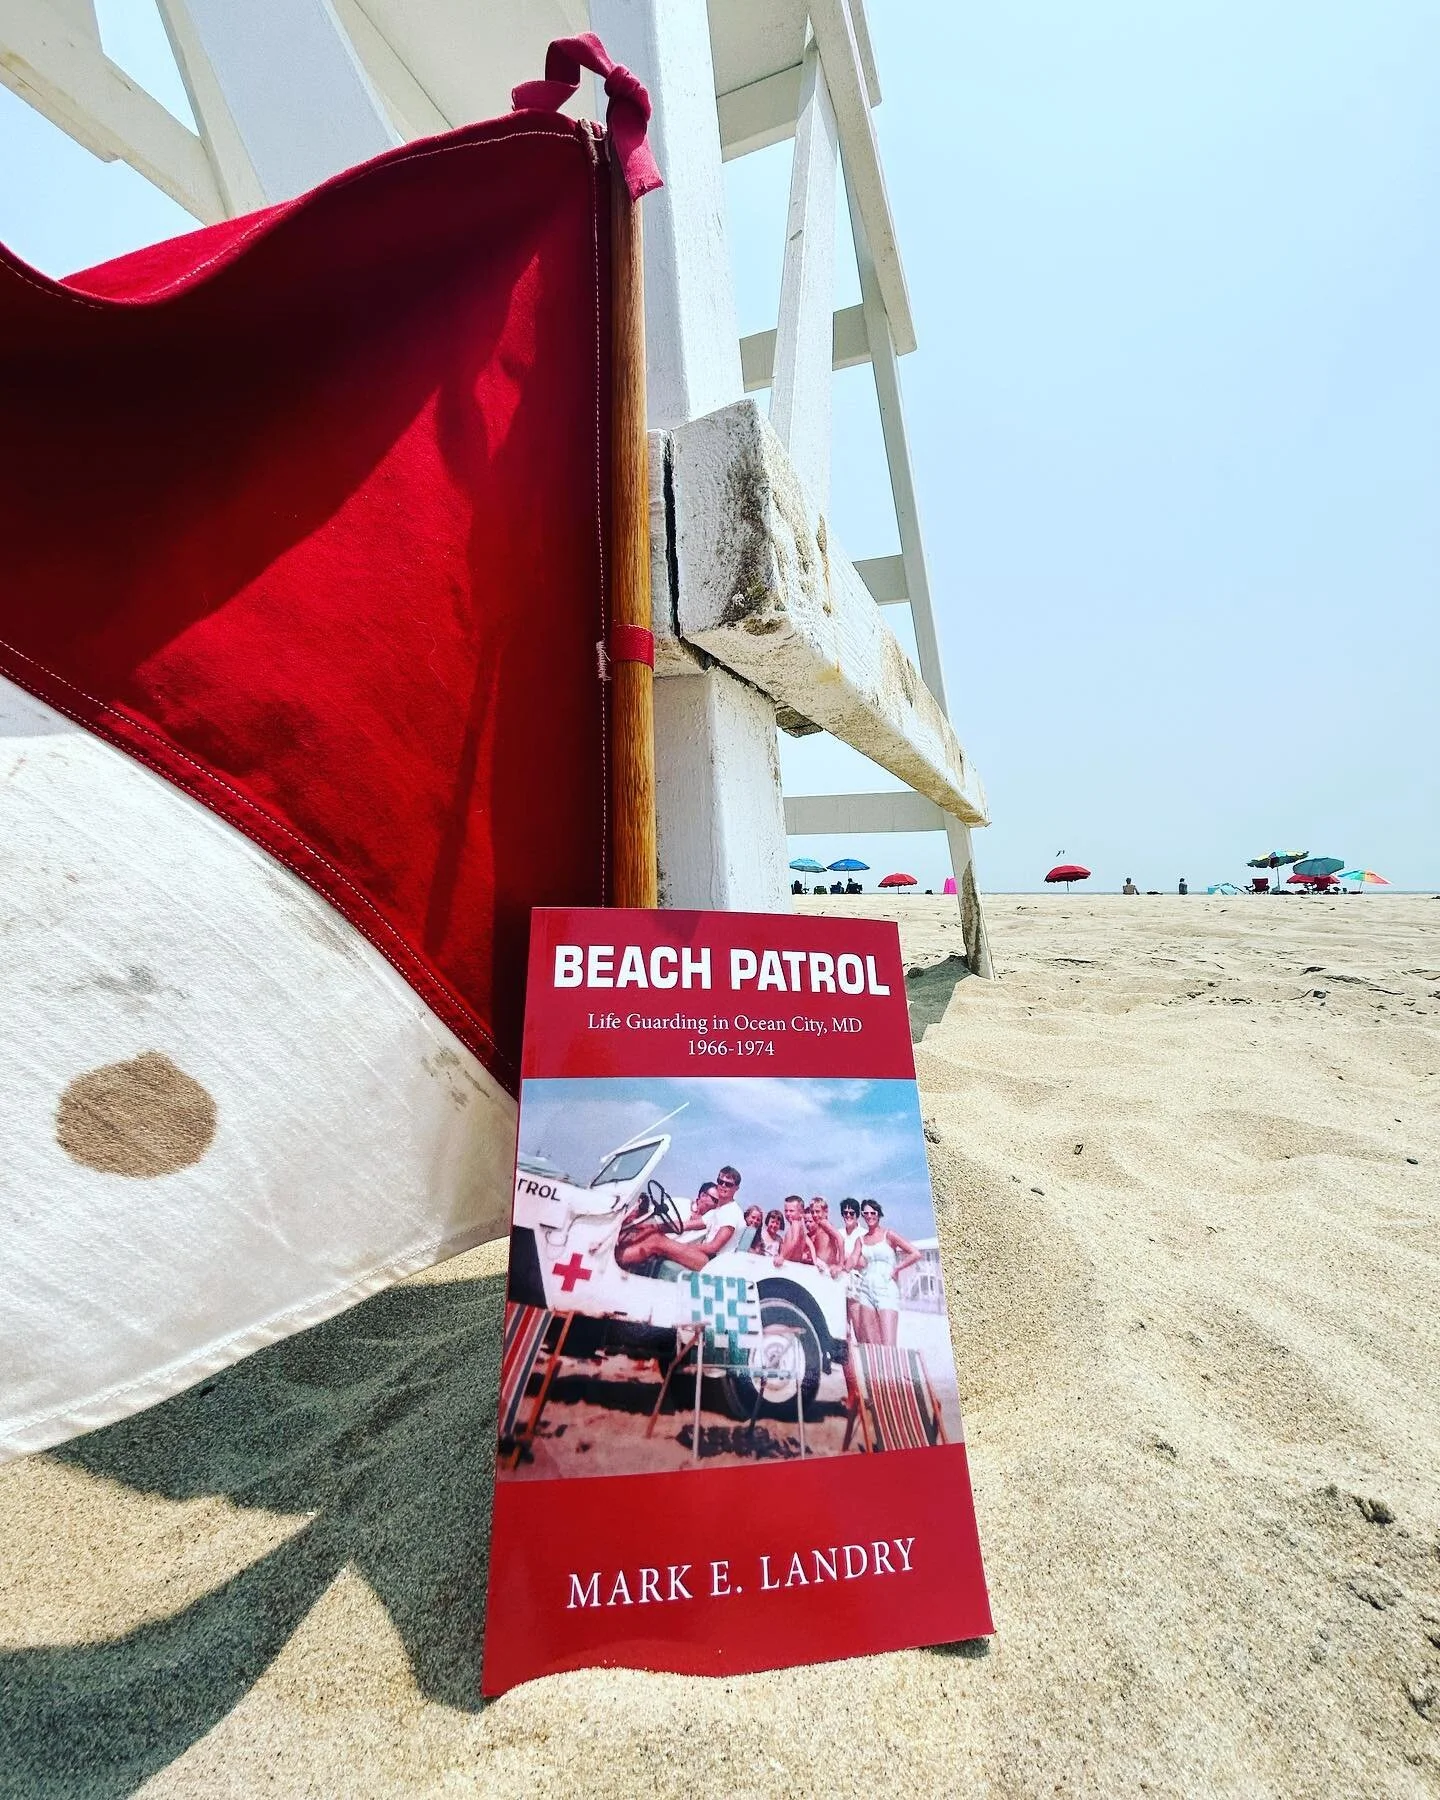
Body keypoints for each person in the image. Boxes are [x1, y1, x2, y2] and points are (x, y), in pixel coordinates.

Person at [618, 1167, 746, 1273]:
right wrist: (651, 1227)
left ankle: (616, 1262)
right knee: (652, 1234)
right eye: (720, 1181)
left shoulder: (732, 1213)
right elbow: (683, 1225)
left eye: (728, 1184)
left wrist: (676, 1246)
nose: (723, 1186)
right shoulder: (716, 1212)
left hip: (712, 1264)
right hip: (704, 1257)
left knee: (658, 1242)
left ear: (736, 1188)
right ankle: (616, 1259)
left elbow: (713, 1248)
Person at [853, 1199, 922, 1347]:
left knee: (889, 1345)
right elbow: (852, 1260)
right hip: (866, 1289)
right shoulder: (861, 1240)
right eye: (866, 1213)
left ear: (879, 1215)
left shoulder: (889, 1235)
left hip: (886, 1288)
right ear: (863, 1216)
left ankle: (891, 1371)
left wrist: (897, 1268)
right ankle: (876, 1371)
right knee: (871, 1344)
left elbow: (915, 1253)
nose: (869, 1216)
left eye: (873, 1213)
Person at [837, 1198, 867, 1337]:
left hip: (857, 1283)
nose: (848, 1215)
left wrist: (846, 1257)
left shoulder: (863, 1234)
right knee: (843, 1328)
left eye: (851, 1213)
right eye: (845, 1213)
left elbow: (864, 1262)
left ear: (857, 1215)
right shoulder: (839, 1233)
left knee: (859, 1326)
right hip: (839, 1281)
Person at [772, 1194, 816, 1266]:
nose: (788, 1213)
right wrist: (815, 1261)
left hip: (788, 1264)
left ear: (801, 1213)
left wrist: (782, 1256)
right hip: (794, 1265)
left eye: (791, 1211)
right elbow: (811, 1245)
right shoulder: (802, 1229)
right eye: (786, 1211)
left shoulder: (795, 1223)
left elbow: (794, 1240)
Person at [805, 1196, 844, 1271]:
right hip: (822, 1264)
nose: (815, 1215)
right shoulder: (820, 1226)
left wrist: (840, 1265)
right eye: (812, 1212)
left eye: (817, 1211)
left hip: (826, 1265)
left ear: (825, 1212)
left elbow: (840, 1239)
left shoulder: (824, 1223)